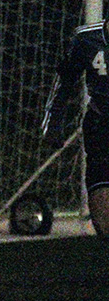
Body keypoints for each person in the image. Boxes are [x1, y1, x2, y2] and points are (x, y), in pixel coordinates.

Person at [42, 18, 109, 238]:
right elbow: (64, 82)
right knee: (102, 201)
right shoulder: (86, 38)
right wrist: (53, 122)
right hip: (101, 126)